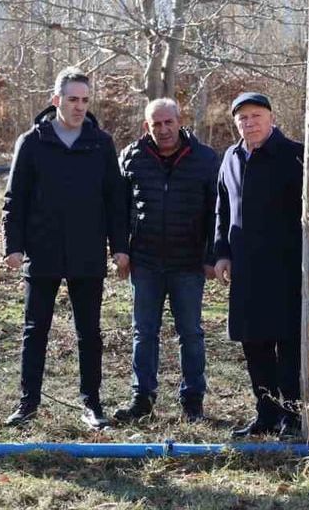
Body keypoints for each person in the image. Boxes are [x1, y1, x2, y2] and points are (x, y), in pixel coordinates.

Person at [2, 68, 129, 430]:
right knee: (34, 329)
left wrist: (120, 247)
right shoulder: (32, 141)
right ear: (56, 100)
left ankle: (92, 403)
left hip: (87, 251)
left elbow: (114, 201)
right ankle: (28, 403)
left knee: (89, 332)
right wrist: (13, 245)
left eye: (85, 100)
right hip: (42, 251)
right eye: (72, 99)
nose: (79, 107)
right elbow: (15, 199)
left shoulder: (101, 143)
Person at [114, 98, 219, 423]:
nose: (163, 129)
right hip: (144, 263)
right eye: (156, 124)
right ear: (147, 126)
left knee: (191, 333)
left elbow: (217, 211)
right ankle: (141, 398)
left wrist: (211, 256)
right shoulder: (131, 157)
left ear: (180, 120)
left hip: (188, 263)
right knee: (144, 333)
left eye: (168, 122)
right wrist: (120, 250)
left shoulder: (205, 159)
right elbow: (117, 209)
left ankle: (193, 401)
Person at [213, 92, 305, 440]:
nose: (249, 123)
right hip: (245, 268)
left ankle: (291, 415)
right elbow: (222, 209)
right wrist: (221, 253)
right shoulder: (231, 157)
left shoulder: (294, 154)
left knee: (287, 344)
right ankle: (265, 413)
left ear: (270, 117)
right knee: (254, 342)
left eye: (255, 116)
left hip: (285, 267)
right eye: (242, 118)